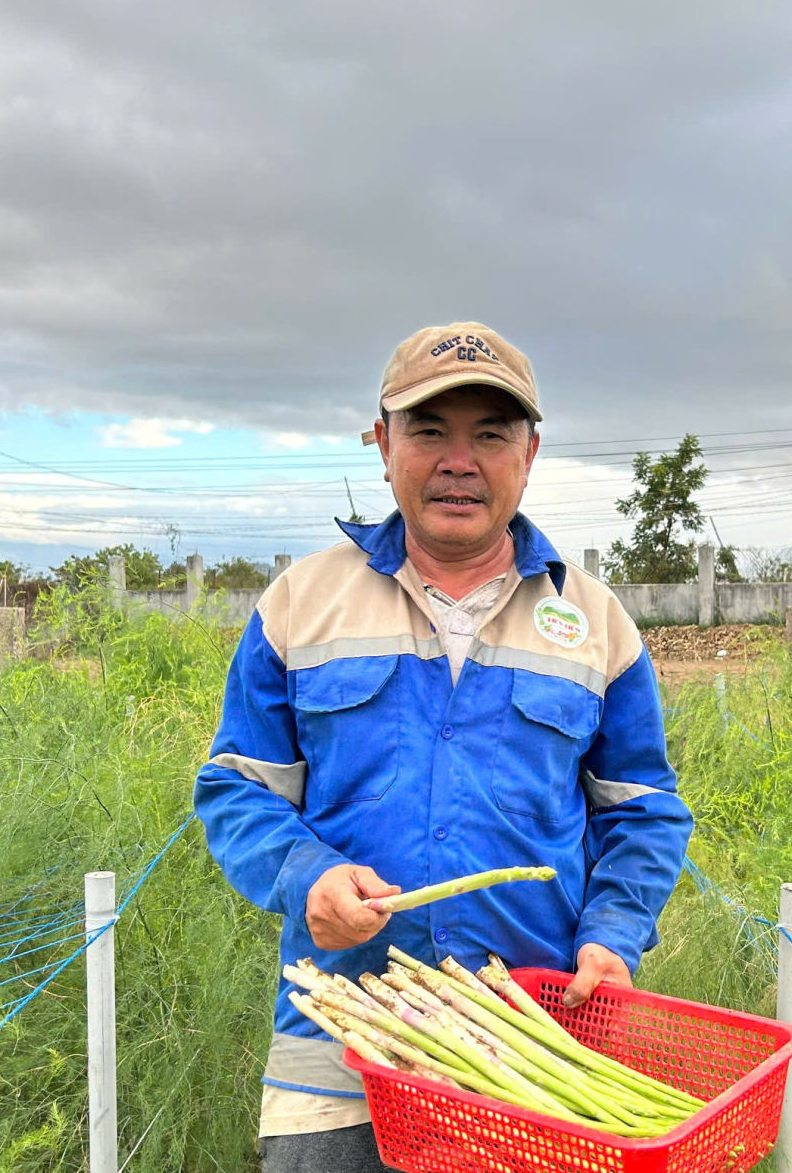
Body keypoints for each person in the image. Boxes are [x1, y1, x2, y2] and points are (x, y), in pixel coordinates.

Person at [194, 323, 695, 1173]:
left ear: (529, 453)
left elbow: (643, 809)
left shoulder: (596, 620)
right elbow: (237, 785)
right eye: (430, 430)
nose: (459, 460)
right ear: (384, 444)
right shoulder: (300, 603)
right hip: (340, 1037)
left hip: (534, 1047)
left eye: (490, 434)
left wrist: (612, 933)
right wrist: (306, 875)